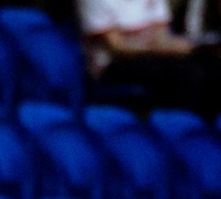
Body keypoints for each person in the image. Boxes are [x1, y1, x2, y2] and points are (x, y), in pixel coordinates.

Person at [78, 0, 219, 117]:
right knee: (187, 73)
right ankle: (177, 128)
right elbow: (117, 47)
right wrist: (160, 48)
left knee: (211, 64)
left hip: (154, 55)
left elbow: (161, 36)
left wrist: (186, 48)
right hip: (113, 63)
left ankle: (205, 131)